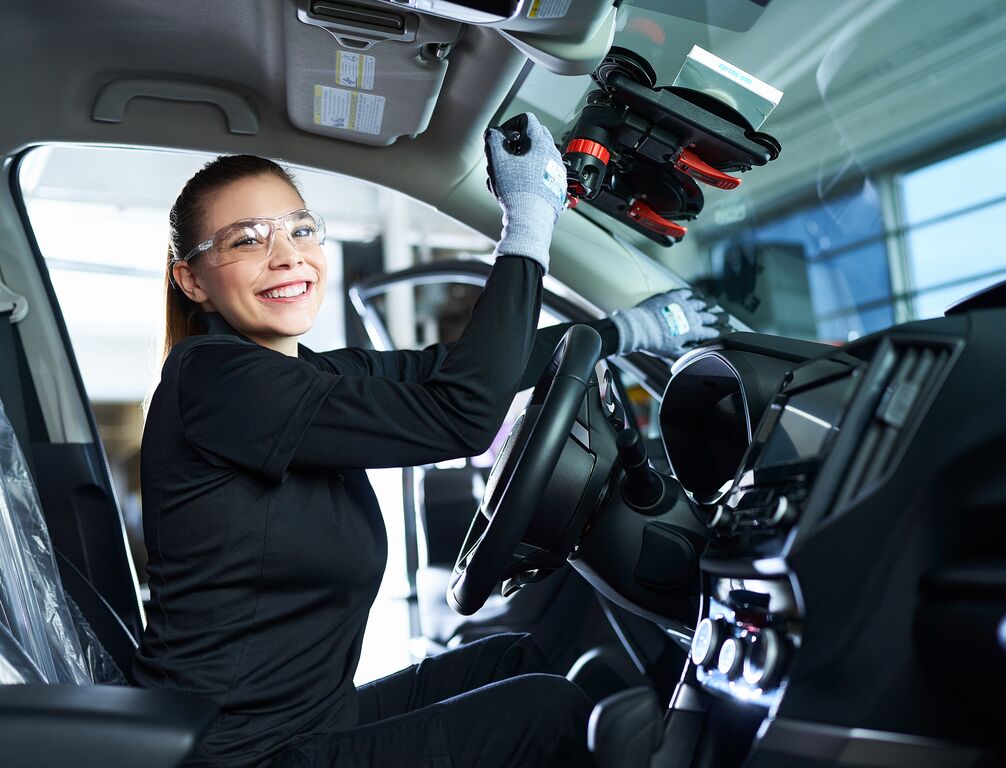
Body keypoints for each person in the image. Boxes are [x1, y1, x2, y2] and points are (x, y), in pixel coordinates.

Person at [134, 113, 724, 768]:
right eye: (247, 240)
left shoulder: (302, 377)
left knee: (515, 660)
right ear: (192, 280)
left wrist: (632, 329)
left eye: (301, 229)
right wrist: (527, 223)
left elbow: (458, 372)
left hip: (313, 721)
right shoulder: (215, 381)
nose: (287, 255)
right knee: (546, 711)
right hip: (249, 757)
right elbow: (463, 414)